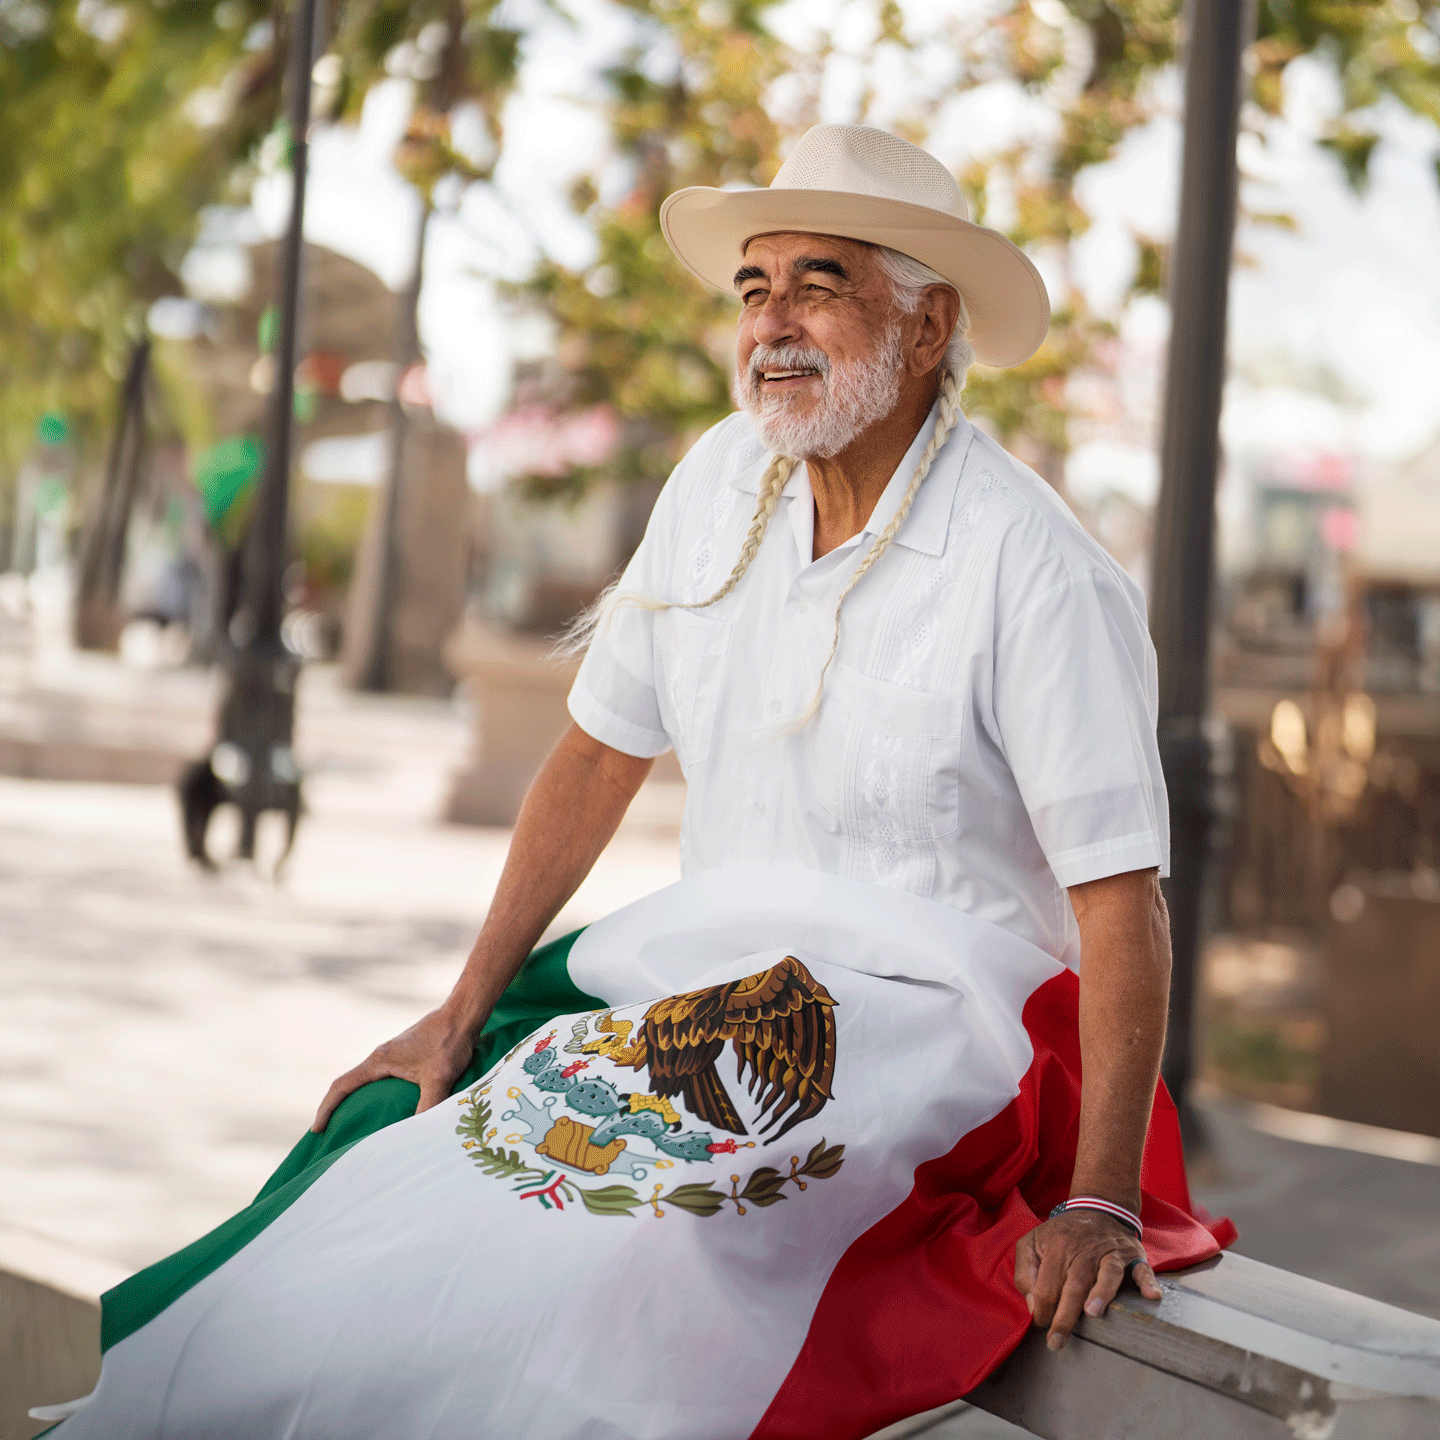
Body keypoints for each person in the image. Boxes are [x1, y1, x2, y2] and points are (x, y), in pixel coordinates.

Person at [42, 124, 1232, 1440]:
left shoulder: (1035, 568)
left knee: (628, 1255)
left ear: (930, 323)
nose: (772, 323)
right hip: (703, 997)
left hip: (937, 1035)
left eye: (819, 283)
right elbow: (598, 753)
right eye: (754, 287)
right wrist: (456, 1011)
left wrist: (1101, 1198)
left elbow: (1122, 900)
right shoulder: (719, 482)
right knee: (404, 1168)